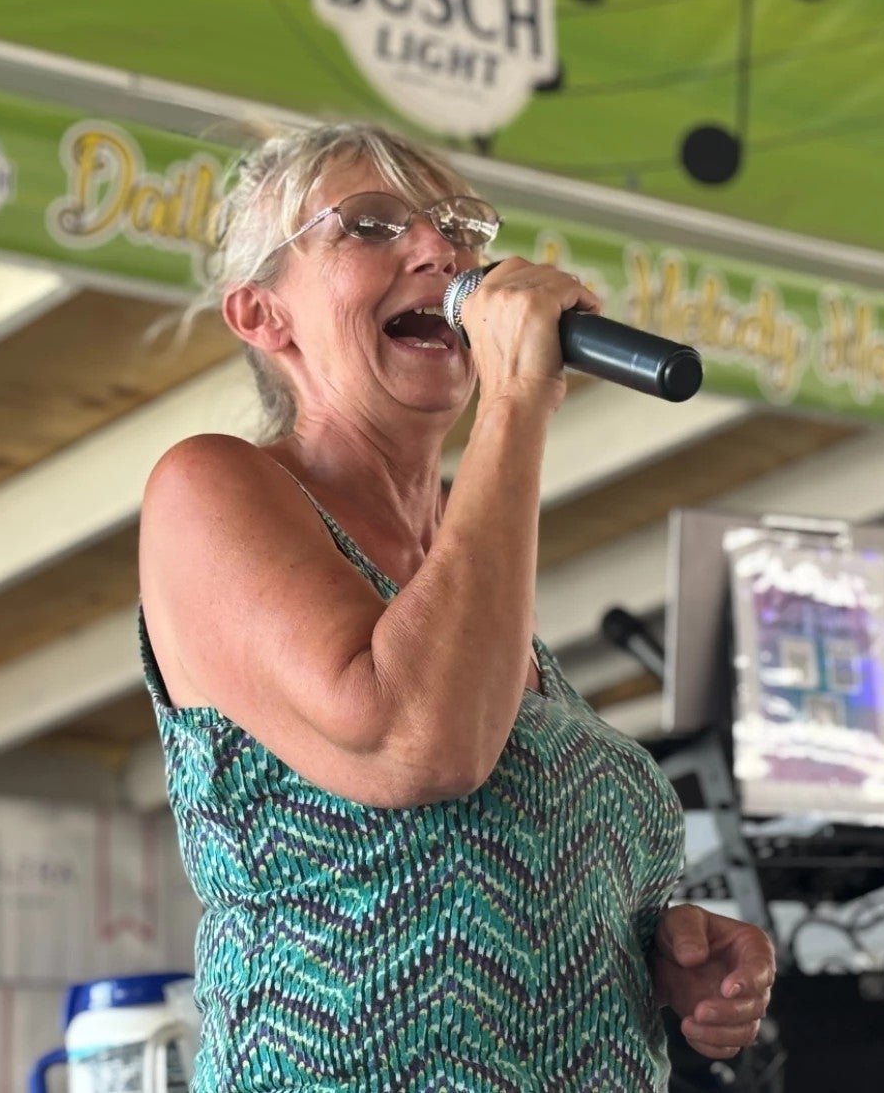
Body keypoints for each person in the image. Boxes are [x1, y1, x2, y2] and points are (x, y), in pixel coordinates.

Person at [137, 122, 773, 1090]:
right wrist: (517, 402)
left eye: (459, 227)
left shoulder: (471, 595)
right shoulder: (208, 489)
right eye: (369, 225)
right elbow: (417, 740)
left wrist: (659, 955)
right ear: (263, 314)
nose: (440, 251)